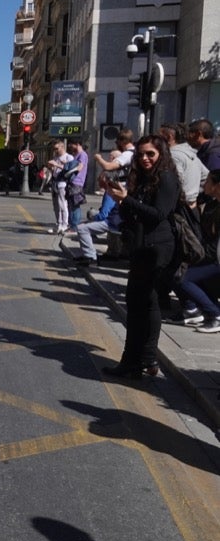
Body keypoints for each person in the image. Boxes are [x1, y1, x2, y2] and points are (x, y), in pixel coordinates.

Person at [101, 136, 179, 379]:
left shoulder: (166, 178)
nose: (145, 158)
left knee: (144, 303)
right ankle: (141, 359)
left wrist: (127, 199)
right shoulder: (145, 177)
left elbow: (157, 215)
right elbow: (134, 213)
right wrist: (119, 199)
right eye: (141, 154)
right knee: (139, 303)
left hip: (156, 248)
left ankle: (140, 359)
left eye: (151, 154)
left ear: (161, 154)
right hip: (142, 245)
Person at [171, 169, 220, 332]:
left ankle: (215, 315)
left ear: (217, 186)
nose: (203, 185)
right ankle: (194, 309)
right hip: (211, 255)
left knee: (184, 278)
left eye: (207, 182)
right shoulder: (212, 204)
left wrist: (198, 256)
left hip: (215, 258)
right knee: (179, 269)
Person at [45, 139, 71, 234]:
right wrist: (51, 167)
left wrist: (58, 165)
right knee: (56, 205)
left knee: (63, 204)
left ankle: (65, 225)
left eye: (56, 148)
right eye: (54, 149)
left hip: (63, 183)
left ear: (62, 146)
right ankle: (58, 224)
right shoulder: (55, 157)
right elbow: (54, 170)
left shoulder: (68, 157)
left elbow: (70, 169)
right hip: (55, 182)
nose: (55, 151)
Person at [64, 137, 89, 231]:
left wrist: (69, 172)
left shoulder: (83, 155)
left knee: (75, 205)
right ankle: (71, 225)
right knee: (70, 205)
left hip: (77, 182)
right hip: (71, 182)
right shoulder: (76, 155)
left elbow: (80, 167)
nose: (70, 147)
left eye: (71, 145)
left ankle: (75, 227)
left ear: (77, 144)